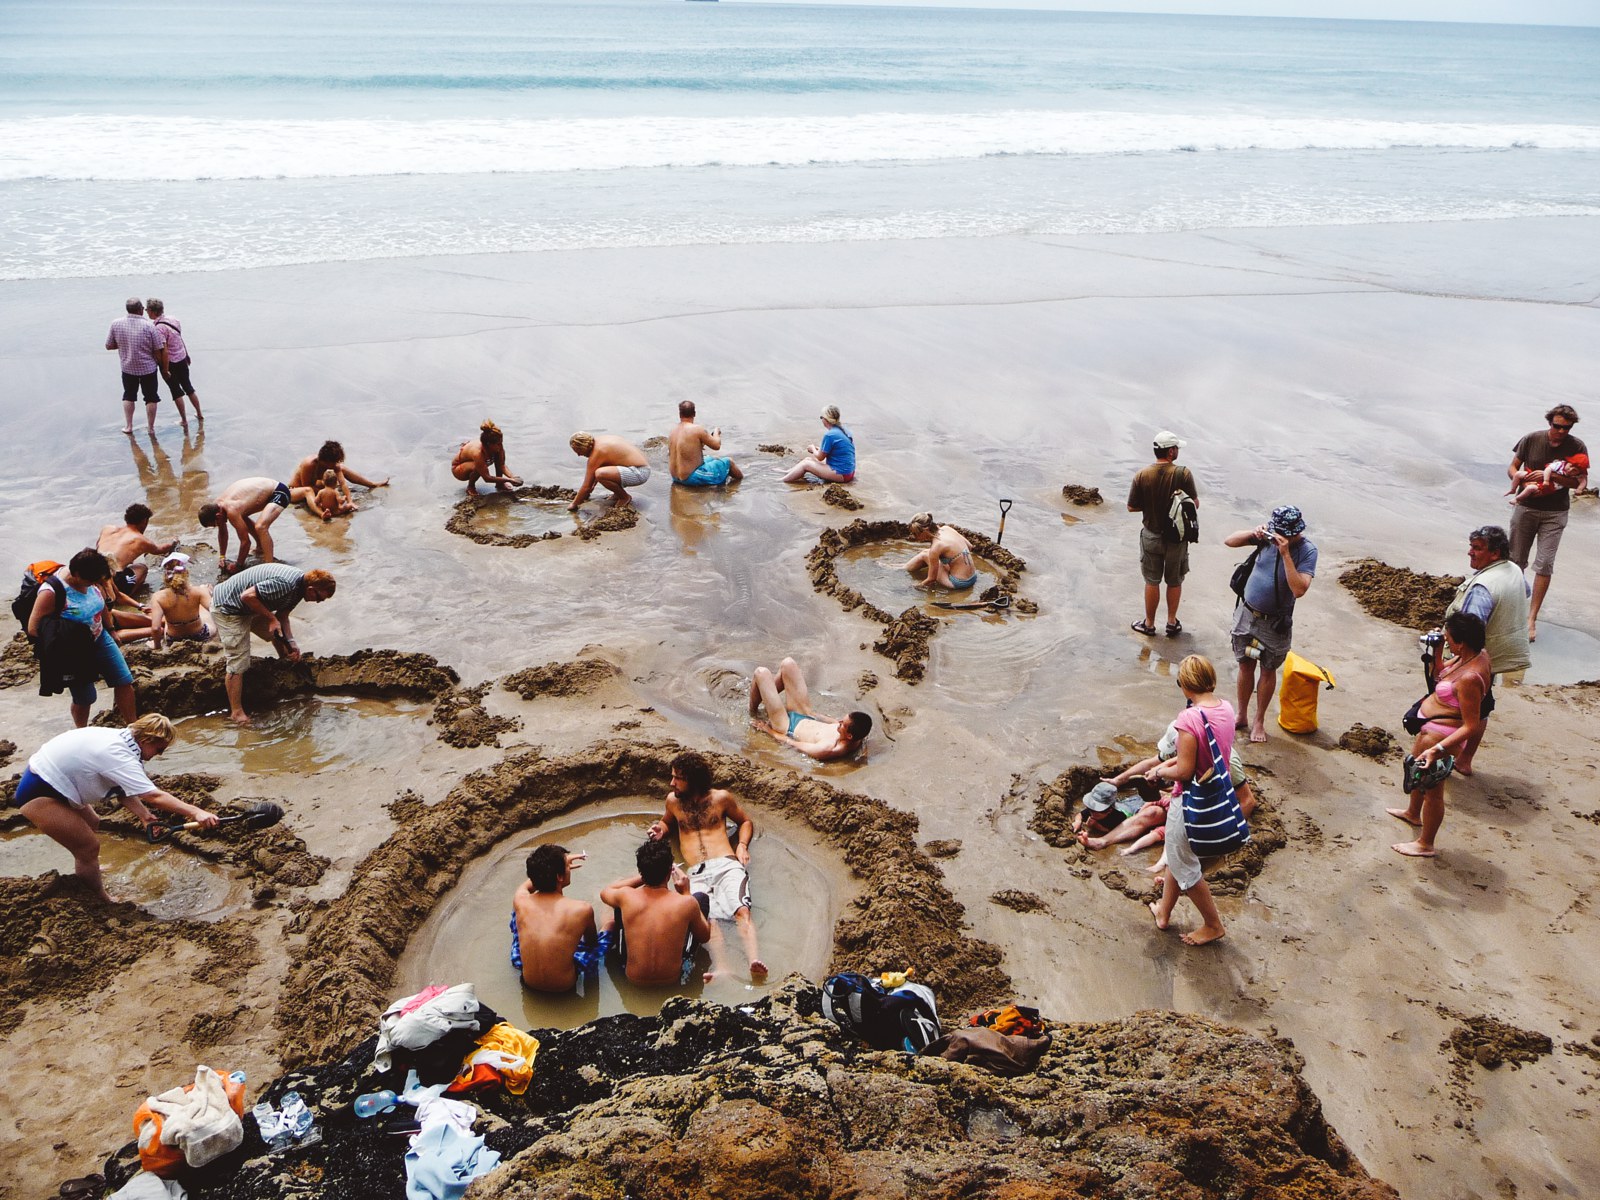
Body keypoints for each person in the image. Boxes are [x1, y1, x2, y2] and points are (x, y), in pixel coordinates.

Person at [12, 715, 217, 903]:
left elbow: (120, 789)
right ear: (147, 740)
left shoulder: (121, 739)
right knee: (88, 847)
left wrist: (145, 816)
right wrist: (196, 812)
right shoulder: (118, 754)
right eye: (159, 749)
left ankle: (90, 869)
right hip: (38, 793)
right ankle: (100, 899)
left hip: (57, 783)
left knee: (93, 823)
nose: (159, 755)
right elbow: (153, 796)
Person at [647, 751, 766, 981]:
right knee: (705, 919)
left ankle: (753, 960)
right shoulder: (673, 801)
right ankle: (722, 967)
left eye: (677, 778)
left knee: (742, 911)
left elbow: (745, 821)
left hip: (726, 864)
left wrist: (742, 845)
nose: (672, 783)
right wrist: (660, 829)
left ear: (693, 779)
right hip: (696, 872)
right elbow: (666, 822)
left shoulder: (721, 798)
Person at [1147, 655, 1237, 946]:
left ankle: (1213, 924)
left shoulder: (1188, 718)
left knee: (1185, 866)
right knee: (1178, 857)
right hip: (1216, 792)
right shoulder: (1226, 708)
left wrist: (1159, 771)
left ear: (1185, 686)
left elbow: (1184, 770)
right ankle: (1164, 912)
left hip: (1189, 800)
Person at [1387, 613, 1492, 859]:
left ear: (1461, 643)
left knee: (1433, 790)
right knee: (1416, 773)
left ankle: (1426, 844)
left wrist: (1438, 750)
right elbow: (1440, 676)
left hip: (1442, 737)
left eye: (1448, 639)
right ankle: (1413, 813)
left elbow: (1471, 725)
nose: (1445, 641)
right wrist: (1437, 652)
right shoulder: (1472, 655)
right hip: (1431, 730)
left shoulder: (1470, 678)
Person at [1079, 721, 1256, 855]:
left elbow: (1247, 801)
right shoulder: (1179, 747)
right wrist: (1119, 780)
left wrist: (1228, 834)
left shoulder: (1225, 760)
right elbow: (1152, 763)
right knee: (1151, 812)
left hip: (1213, 803)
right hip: (1183, 795)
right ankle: (1103, 841)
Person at [1437, 524, 1530, 774]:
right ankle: (1465, 759)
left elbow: (1470, 633)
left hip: (1472, 659)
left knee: (1456, 708)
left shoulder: (1482, 588)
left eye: (1477, 548)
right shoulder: (1514, 570)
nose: (1470, 552)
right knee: (1482, 707)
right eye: (1470, 546)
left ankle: (1448, 754)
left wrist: (1454, 663)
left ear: (1495, 553)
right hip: (1496, 655)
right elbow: (1525, 591)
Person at [1224, 505, 1317, 743]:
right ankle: (1242, 714)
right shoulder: (1266, 539)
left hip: (1275, 623)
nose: (1279, 537)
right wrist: (1252, 534)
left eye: (1284, 534)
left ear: (1296, 532)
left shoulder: (1307, 551)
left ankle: (1259, 721)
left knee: (1267, 669)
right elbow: (1228, 541)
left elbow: (1299, 589)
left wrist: (1286, 554)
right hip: (1247, 613)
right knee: (1245, 665)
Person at [210, 564, 337, 724]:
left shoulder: (299, 588)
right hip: (228, 608)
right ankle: (236, 712)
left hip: (251, 607)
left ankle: (286, 668)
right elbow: (247, 596)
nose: (318, 602)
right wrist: (271, 618)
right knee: (238, 661)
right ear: (311, 589)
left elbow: (283, 616)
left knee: (277, 633)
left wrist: (291, 643)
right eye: (319, 598)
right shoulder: (286, 584)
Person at [27, 549, 138, 727]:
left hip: (100, 636)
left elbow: (101, 607)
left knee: (124, 680)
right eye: (91, 581)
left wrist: (111, 630)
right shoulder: (51, 592)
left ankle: (133, 727)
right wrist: (64, 641)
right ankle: (81, 732)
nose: (95, 584)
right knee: (86, 698)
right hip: (74, 651)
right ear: (76, 574)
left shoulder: (93, 578)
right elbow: (33, 629)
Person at [1507, 404, 1586, 643]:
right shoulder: (1531, 439)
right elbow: (1513, 466)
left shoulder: (1577, 446)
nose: (1561, 431)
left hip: (1556, 512)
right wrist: (1519, 478)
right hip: (1527, 507)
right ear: (1549, 422)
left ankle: (1531, 619)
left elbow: (1577, 482)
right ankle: (1512, 613)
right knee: (1515, 561)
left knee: (1544, 565)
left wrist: (1549, 476)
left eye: (1566, 428)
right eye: (1557, 426)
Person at [598, 839, 711, 987]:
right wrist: (686, 892)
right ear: (669, 872)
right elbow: (704, 936)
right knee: (700, 899)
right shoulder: (686, 903)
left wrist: (643, 877)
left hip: (633, 979)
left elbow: (606, 891)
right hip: (671, 981)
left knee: (619, 907)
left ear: (641, 872)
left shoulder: (626, 896)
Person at [1127, 430, 1197, 637]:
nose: (1178, 452)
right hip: (1176, 537)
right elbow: (1194, 503)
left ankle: (1148, 624)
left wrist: (1151, 506)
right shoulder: (1183, 473)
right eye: (1177, 448)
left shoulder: (1141, 475)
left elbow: (1131, 507)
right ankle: (1171, 622)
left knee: (1152, 581)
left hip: (1150, 535)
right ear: (1171, 451)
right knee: (1174, 580)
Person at [510, 844, 600, 993]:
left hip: (529, 984)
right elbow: (591, 944)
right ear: (559, 876)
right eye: (567, 866)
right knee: (606, 930)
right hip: (564, 988)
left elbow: (525, 886)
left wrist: (551, 869)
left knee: (518, 918)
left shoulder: (520, 901)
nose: (569, 868)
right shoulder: (582, 909)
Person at [748, 657, 872, 761]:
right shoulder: (857, 735)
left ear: (849, 736)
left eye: (842, 724)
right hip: (806, 715)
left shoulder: (827, 748)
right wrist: (814, 714)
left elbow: (791, 743)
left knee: (761, 672)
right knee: (788, 663)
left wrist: (767, 730)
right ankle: (766, 694)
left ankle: (752, 711)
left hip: (787, 726)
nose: (838, 722)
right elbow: (863, 733)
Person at [198, 477, 293, 574]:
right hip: (267, 492)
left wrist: (238, 565)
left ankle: (270, 566)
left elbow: (245, 542)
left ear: (218, 516)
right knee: (242, 518)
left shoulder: (231, 509)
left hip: (279, 492)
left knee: (261, 527)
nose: (218, 526)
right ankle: (260, 548)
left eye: (216, 524)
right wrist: (222, 557)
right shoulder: (217, 506)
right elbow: (222, 532)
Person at [106, 297, 165, 437]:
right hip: (148, 368)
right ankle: (150, 428)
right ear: (140, 310)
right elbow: (157, 349)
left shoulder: (116, 324)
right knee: (151, 397)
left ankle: (129, 426)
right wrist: (162, 366)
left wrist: (122, 345)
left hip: (127, 366)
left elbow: (109, 345)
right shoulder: (149, 326)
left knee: (129, 395)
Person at [288, 441, 389, 515]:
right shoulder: (309, 464)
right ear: (326, 461)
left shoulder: (333, 465)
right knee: (309, 490)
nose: (337, 463)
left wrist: (350, 501)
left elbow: (343, 483)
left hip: (315, 486)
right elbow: (307, 485)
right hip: (296, 491)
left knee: (341, 469)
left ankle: (371, 484)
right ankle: (320, 514)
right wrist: (329, 492)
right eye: (335, 461)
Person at [97, 502, 179, 592]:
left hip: (94, 571)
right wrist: (173, 542)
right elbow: (160, 549)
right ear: (144, 521)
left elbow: (98, 547)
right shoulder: (140, 539)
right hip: (116, 579)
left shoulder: (107, 529)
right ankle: (126, 594)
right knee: (142, 568)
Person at [146, 299, 201, 427]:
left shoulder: (158, 328)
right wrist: (186, 354)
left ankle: (184, 420)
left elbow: (164, 351)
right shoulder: (173, 319)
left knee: (176, 391)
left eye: (147, 310)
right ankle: (199, 413)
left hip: (170, 362)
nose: (146, 312)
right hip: (181, 357)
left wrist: (165, 370)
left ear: (153, 311)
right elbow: (179, 337)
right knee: (188, 387)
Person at [669, 401, 743, 487]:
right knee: (729, 462)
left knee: (710, 458)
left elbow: (686, 450)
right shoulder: (697, 429)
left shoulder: (673, 430)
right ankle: (739, 485)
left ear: (680, 414)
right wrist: (716, 432)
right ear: (694, 413)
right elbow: (716, 446)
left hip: (675, 477)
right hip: (690, 478)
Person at [567, 432, 650, 509]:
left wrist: (574, 504)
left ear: (584, 446)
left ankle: (624, 497)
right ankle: (618, 494)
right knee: (601, 471)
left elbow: (587, 486)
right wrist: (590, 488)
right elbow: (591, 483)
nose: (579, 455)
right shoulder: (601, 440)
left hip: (639, 472)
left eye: (578, 451)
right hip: (640, 467)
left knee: (600, 474)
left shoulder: (597, 452)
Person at [147, 553, 213, 648]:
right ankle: (208, 591)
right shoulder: (198, 591)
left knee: (166, 617)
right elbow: (216, 612)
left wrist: (157, 647)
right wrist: (207, 592)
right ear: (186, 573)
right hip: (200, 636)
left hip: (174, 640)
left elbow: (156, 628)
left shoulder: (158, 597)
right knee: (205, 608)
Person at [900, 512, 978, 590]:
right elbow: (970, 546)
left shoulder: (936, 547)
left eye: (916, 534)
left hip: (958, 583)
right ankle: (902, 567)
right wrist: (954, 560)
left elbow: (931, 579)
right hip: (973, 577)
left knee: (925, 554)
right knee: (927, 553)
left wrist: (914, 587)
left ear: (925, 530)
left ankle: (901, 569)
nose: (915, 537)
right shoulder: (947, 528)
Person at [782, 405, 856, 485]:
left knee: (806, 464)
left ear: (826, 419)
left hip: (842, 474)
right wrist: (820, 449)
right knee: (808, 459)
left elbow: (820, 458)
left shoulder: (830, 435)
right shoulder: (845, 430)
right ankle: (787, 472)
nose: (821, 420)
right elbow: (838, 450)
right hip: (849, 472)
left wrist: (813, 449)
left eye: (821, 417)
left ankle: (780, 480)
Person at [451, 421, 522, 495]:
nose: (500, 446)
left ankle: (499, 484)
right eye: (498, 444)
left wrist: (513, 477)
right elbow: (487, 478)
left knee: (498, 457)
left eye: (501, 442)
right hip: (459, 470)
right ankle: (470, 487)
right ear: (489, 444)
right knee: (476, 467)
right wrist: (509, 480)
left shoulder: (498, 446)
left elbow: (502, 465)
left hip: (476, 462)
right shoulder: (477, 452)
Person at [1508, 451, 1589, 505]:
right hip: (1542, 476)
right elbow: (1548, 469)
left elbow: (1583, 482)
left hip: (1551, 485)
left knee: (1530, 488)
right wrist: (1546, 480)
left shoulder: (1578, 475)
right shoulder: (1560, 464)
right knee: (1518, 474)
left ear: (1579, 472)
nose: (1570, 470)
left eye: (1574, 470)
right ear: (1568, 462)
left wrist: (1579, 489)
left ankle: (1517, 499)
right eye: (1570, 466)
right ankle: (1513, 489)